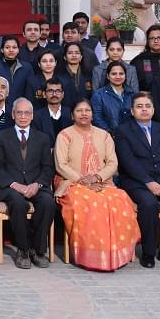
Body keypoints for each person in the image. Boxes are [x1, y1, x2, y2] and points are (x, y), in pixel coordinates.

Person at [54, 100, 140, 271]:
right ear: (72, 115)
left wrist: (97, 178)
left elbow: (113, 163)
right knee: (90, 202)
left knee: (120, 198)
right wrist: (82, 180)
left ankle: (115, 255)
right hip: (71, 182)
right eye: (79, 110)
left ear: (93, 114)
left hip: (102, 182)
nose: (84, 113)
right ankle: (91, 256)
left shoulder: (104, 135)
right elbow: (61, 165)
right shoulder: (64, 135)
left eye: (87, 110)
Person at [114, 92, 160, 269]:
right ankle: (148, 253)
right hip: (138, 182)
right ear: (132, 111)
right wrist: (148, 182)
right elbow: (127, 161)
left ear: (153, 110)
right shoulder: (123, 131)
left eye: (147, 106)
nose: (144, 110)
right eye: (139, 107)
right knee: (149, 205)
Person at [0, 98, 57, 268]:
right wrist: (15, 185)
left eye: (27, 113)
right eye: (19, 112)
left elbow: (47, 168)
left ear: (32, 116)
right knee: (19, 204)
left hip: (36, 186)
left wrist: (37, 185)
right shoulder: (1, 137)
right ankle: (23, 250)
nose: (23, 116)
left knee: (48, 202)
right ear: (13, 115)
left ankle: (38, 250)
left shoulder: (42, 138)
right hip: (10, 188)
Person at [91, 61, 135, 132]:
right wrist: (111, 133)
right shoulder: (98, 95)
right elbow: (97, 119)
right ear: (108, 76)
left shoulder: (131, 94)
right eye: (114, 74)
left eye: (121, 74)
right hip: (108, 136)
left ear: (125, 75)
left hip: (130, 136)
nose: (118, 77)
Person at [0, 35, 30, 101]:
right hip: (0, 105)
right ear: (2, 50)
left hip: (20, 107)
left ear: (18, 49)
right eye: (7, 47)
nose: (11, 50)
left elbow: (29, 90)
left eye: (14, 47)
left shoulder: (27, 67)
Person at [132, 25, 160, 92]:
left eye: (159, 38)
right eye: (152, 38)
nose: (156, 41)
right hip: (146, 100)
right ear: (147, 41)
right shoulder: (138, 61)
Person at [59, 41, 92, 107]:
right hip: (65, 112)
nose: (74, 55)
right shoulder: (58, 76)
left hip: (84, 112)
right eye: (70, 53)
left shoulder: (89, 74)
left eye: (77, 53)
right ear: (65, 57)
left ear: (81, 57)